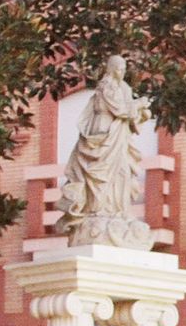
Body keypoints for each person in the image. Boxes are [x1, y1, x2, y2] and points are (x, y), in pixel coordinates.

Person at [56, 55, 154, 248]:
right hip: (103, 135)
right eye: (118, 68)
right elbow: (120, 109)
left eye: (124, 68)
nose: (122, 72)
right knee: (100, 175)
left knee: (122, 173)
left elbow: (130, 116)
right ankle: (98, 210)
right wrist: (139, 104)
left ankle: (118, 210)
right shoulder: (106, 87)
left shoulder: (124, 88)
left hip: (119, 137)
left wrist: (141, 113)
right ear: (110, 69)